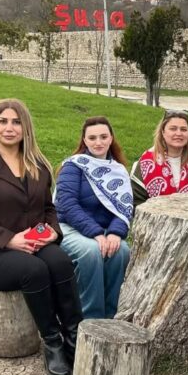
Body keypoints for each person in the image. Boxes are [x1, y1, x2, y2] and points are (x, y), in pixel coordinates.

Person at [0, 99, 82, 375]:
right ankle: (52, 342)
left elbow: (49, 208)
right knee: (34, 270)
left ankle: (73, 337)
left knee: (61, 262)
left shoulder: (38, 165)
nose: (9, 128)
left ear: (25, 128)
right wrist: (10, 240)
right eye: (2, 121)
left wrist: (52, 231)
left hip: (35, 245)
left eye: (16, 122)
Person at [55, 117, 134, 320]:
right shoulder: (73, 166)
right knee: (91, 252)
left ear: (111, 138)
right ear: (84, 140)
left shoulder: (119, 170)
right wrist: (96, 233)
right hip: (69, 227)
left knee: (121, 251)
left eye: (103, 137)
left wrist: (115, 233)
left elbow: (124, 207)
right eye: (92, 138)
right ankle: (90, 319)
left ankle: (112, 317)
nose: (98, 142)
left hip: (103, 230)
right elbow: (67, 205)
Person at [134, 110, 188, 196]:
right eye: (173, 129)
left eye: (183, 129)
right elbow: (137, 199)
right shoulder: (146, 162)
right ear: (163, 132)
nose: (178, 133)